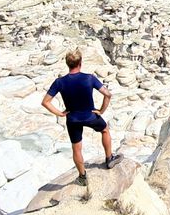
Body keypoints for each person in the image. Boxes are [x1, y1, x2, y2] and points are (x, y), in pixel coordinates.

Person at [41, 49, 121, 186]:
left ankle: (82, 177)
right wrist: (101, 110)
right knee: (105, 130)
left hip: (72, 119)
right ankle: (109, 159)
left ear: (67, 64)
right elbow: (107, 94)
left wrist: (60, 113)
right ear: (80, 63)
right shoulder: (89, 78)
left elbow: (45, 102)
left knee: (76, 148)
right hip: (90, 115)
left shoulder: (59, 82)